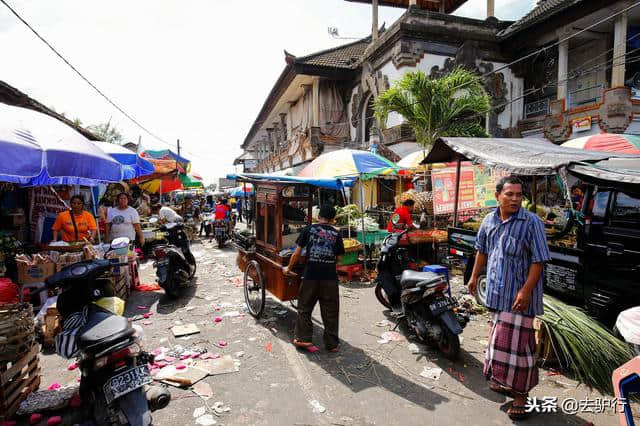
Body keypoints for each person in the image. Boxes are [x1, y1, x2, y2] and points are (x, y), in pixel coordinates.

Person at [467, 176, 551, 421]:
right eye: (509, 194)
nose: (515, 199)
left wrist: (525, 291)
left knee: (520, 350)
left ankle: (521, 397)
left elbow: (539, 260)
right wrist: (474, 277)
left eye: (519, 195)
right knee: (499, 344)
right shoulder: (489, 220)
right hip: (497, 293)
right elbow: (482, 250)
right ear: (498, 196)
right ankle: (504, 382)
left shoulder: (531, 222)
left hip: (519, 298)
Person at [283, 205, 345, 352]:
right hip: (329, 277)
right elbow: (339, 258)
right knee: (331, 310)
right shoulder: (336, 234)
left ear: (319, 217)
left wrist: (288, 269)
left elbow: (297, 253)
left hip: (311, 274)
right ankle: (332, 344)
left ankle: (304, 339)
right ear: (333, 219)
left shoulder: (308, 230)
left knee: (304, 307)